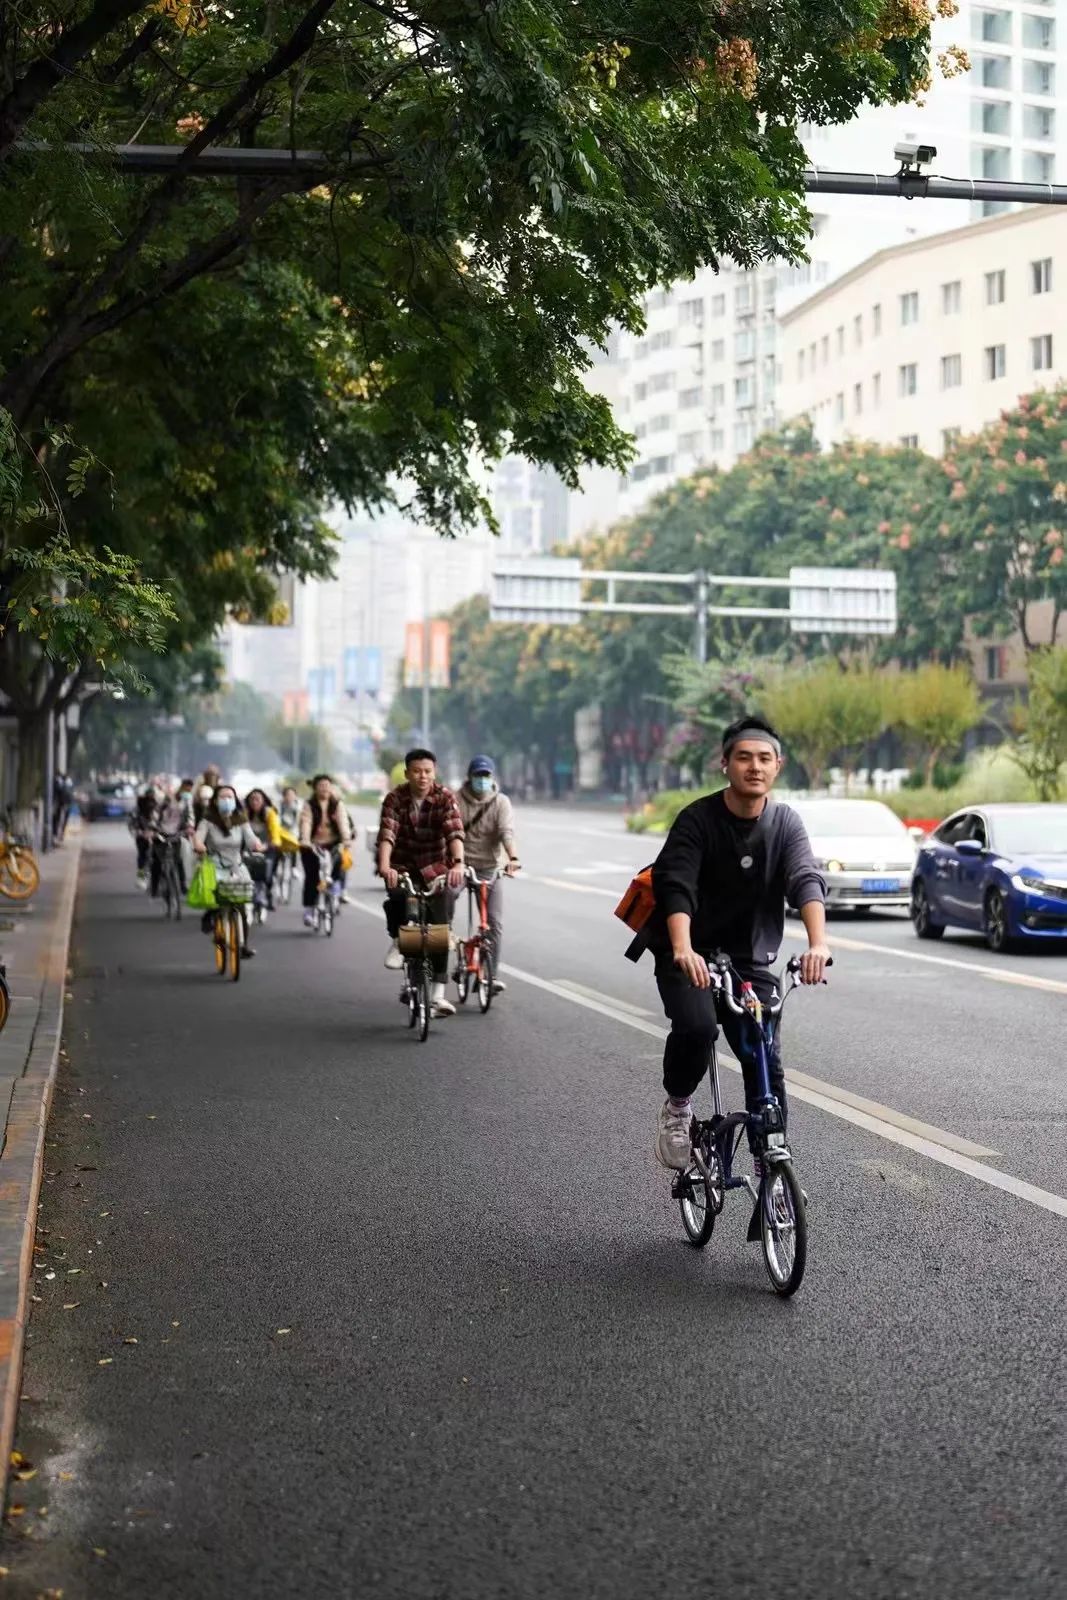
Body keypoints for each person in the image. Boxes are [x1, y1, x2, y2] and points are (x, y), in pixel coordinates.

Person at [646, 715, 831, 1186]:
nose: (754, 766)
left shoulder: (785, 822)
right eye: (744, 757)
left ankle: (769, 1161)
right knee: (698, 1027)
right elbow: (677, 886)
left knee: (762, 1053)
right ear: (724, 763)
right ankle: (677, 1107)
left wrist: (818, 944)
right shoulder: (697, 820)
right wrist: (683, 949)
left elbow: (805, 879)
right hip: (687, 951)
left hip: (749, 959)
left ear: (778, 766)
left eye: (764, 758)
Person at [377, 749, 465, 1018]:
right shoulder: (395, 798)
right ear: (407, 773)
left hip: (436, 867)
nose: (422, 776)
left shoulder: (444, 797)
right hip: (402, 865)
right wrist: (385, 865)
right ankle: (398, 939)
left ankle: (438, 996)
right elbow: (388, 833)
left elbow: (454, 830)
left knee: (439, 932)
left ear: (434, 772)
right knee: (398, 898)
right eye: (417, 771)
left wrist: (459, 862)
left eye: (427, 771)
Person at [454, 755, 520, 995]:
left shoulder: (501, 802)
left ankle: (491, 976)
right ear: (469, 777)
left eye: (486, 775)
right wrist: (456, 864)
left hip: (489, 867)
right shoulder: (456, 800)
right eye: (478, 775)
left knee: (494, 923)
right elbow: (452, 833)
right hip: (460, 865)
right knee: (445, 898)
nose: (482, 780)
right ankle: (448, 942)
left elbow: (506, 833)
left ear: (492, 778)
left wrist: (513, 858)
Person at [193, 785, 263, 956]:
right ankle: (212, 917)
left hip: (237, 867)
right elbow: (198, 837)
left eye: (230, 797)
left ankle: (243, 946)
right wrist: (199, 845)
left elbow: (250, 836)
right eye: (223, 797)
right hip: (215, 866)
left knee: (243, 906)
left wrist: (257, 844)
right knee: (218, 902)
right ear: (215, 801)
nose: (227, 801)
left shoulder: (241, 819)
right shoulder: (207, 821)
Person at [298, 774, 352, 928]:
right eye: (321, 786)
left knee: (339, 862)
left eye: (327, 785)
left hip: (332, 843)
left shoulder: (337, 804)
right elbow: (306, 823)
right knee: (312, 877)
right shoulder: (309, 805)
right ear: (315, 788)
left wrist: (346, 839)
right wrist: (306, 840)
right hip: (312, 845)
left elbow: (343, 822)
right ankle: (309, 909)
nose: (325, 789)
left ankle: (335, 885)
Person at [245, 789, 282, 911]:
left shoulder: (270, 813)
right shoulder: (244, 813)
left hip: (269, 847)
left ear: (263, 801)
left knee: (268, 874)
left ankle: (268, 896)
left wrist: (266, 846)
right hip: (250, 847)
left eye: (257, 799)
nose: (254, 802)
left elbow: (275, 835)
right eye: (252, 799)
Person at [149, 782, 188, 897]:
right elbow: (153, 818)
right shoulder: (160, 806)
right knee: (156, 862)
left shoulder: (182, 806)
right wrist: (153, 831)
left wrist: (188, 828)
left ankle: (182, 884)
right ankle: (154, 887)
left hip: (175, 835)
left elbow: (188, 818)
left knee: (179, 861)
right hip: (160, 835)